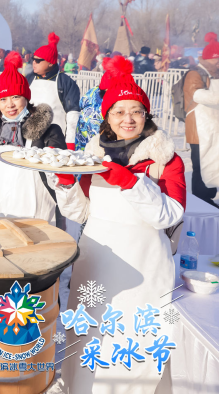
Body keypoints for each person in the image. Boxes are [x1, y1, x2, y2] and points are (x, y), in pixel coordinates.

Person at [49, 67, 185, 394]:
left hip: (144, 267)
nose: (128, 118)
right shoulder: (92, 157)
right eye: (119, 111)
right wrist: (67, 185)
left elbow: (170, 215)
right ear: (107, 116)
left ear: (146, 115)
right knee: (89, 339)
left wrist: (130, 183)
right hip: (96, 265)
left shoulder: (166, 159)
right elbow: (80, 212)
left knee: (133, 342)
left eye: (136, 111)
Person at [0, 52, 65, 224]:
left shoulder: (49, 131)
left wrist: (53, 160)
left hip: (35, 218)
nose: (9, 105)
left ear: (26, 97)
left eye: (15, 97)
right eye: (3, 99)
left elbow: (60, 177)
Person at [27, 32, 81, 149]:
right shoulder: (29, 79)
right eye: (33, 59)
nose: (34, 63)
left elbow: (73, 115)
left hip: (55, 142)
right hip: (29, 141)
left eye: (38, 60)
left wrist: (70, 142)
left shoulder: (66, 82)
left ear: (50, 62)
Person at [183, 32, 219, 207]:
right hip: (198, 130)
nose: (218, 63)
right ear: (208, 59)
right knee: (200, 165)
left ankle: (208, 198)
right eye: (216, 59)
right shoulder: (194, 74)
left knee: (211, 163)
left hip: (210, 128)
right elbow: (202, 96)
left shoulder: (212, 74)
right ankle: (200, 200)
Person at [74, 55, 126, 151]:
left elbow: (81, 104)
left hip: (80, 147)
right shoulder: (107, 106)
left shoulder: (92, 92)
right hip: (97, 151)